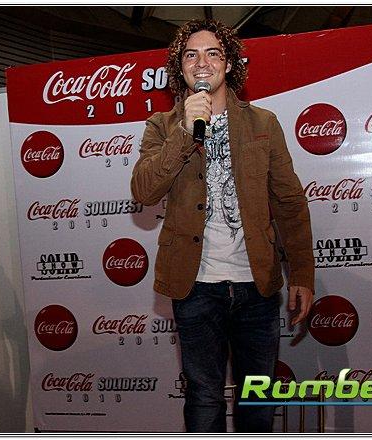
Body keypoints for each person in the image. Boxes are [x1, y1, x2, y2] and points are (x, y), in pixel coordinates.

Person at [131, 19, 315, 432]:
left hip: (257, 286)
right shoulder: (162, 126)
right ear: (180, 68)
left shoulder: (262, 123)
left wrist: (302, 273)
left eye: (213, 53)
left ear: (229, 64)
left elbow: (288, 201)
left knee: (257, 400)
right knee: (203, 398)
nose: (202, 62)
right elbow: (143, 189)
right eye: (191, 55)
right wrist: (184, 131)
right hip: (194, 286)